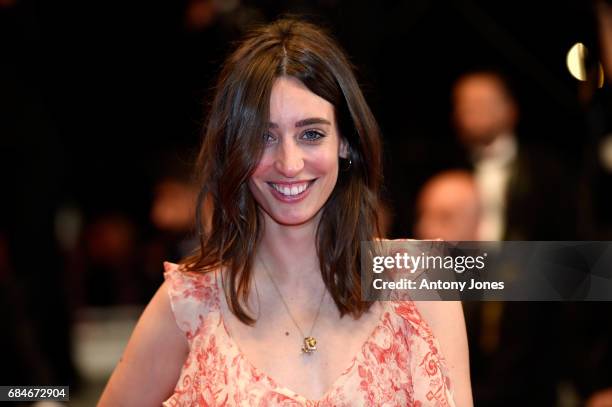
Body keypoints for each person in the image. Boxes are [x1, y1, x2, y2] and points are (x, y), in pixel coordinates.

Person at [99, 19, 472, 406]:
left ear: (345, 142)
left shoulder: (426, 277)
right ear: (234, 148)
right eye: (264, 137)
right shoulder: (192, 300)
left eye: (311, 134)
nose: (289, 163)